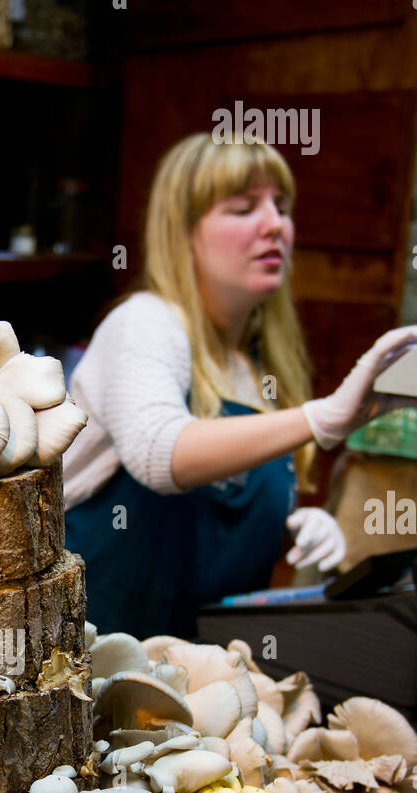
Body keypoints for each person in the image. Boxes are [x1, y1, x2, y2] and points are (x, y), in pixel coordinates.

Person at [63, 133, 417, 638]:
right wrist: (320, 418)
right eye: (244, 207)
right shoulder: (144, 323)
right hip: (93, 674)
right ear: (183, 232)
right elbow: (160, 452)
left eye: (282, 206)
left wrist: (294, 528)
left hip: (206, 682)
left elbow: (216, 517)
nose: (275, 224)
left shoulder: (262, 367)